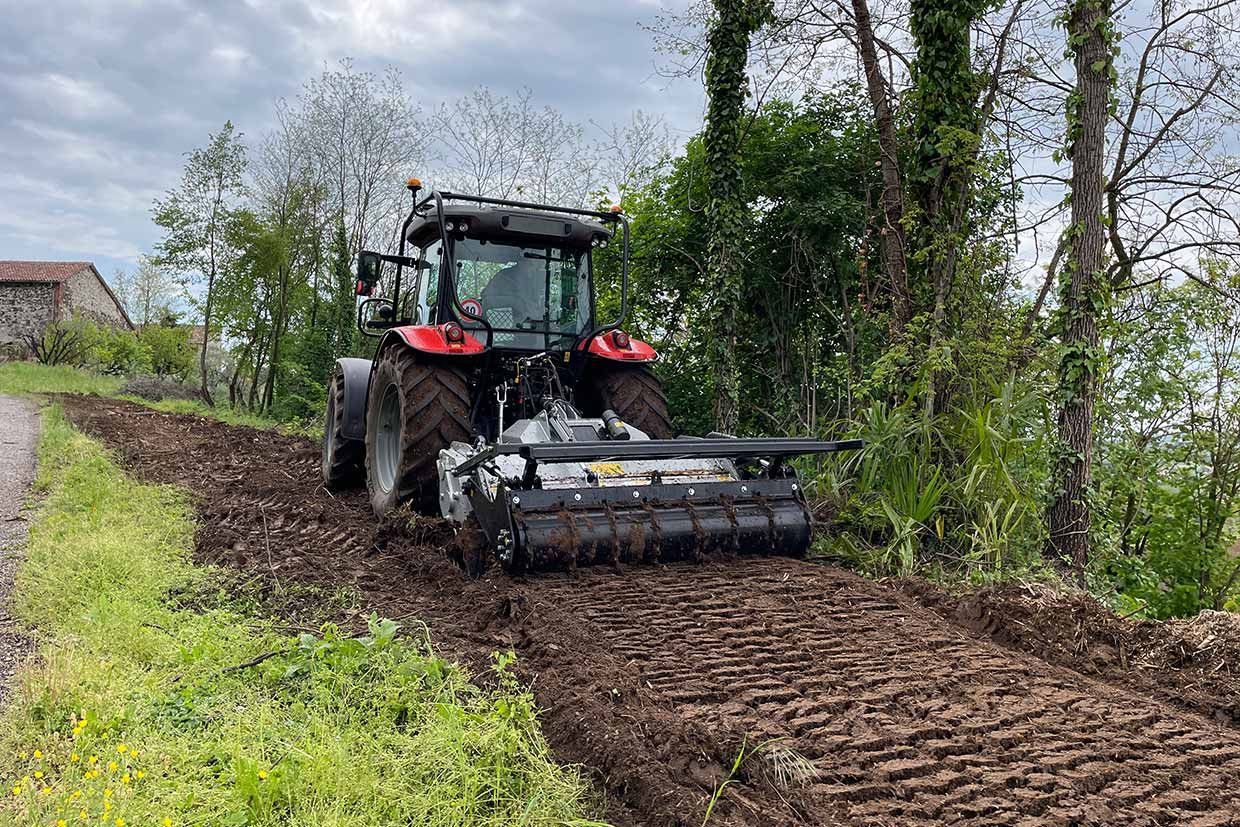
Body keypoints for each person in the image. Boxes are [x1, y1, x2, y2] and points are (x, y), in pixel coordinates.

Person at [480, 255, 545, 325]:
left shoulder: (531, 281)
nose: (533, 269)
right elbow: (488, 299)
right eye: (531, 265)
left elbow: (533, 302)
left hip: (523, 325)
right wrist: (519, 303)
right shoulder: (504, 276)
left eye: (536, 266)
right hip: (496, 324)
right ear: (521, 263)